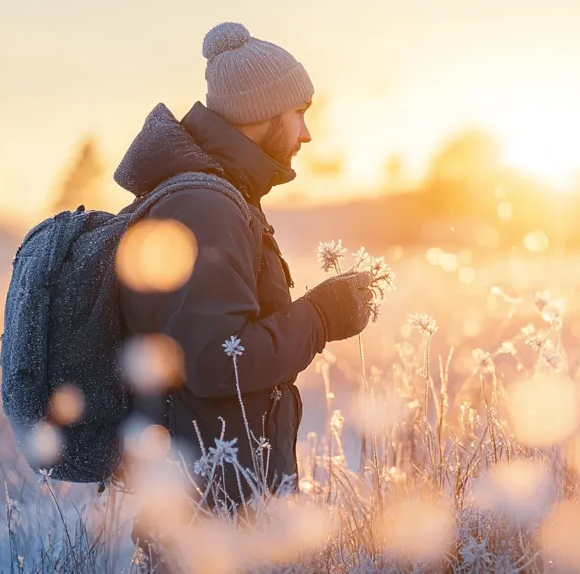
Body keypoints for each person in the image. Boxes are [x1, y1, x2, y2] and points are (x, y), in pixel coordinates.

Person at [113, 21, 373, 563]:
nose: (306, 133)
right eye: (298, 113)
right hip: (212, 516)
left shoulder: (220, 196)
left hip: (221, 502)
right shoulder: (208, 207)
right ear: (259, 113)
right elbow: (215, 362)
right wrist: (321, 317)